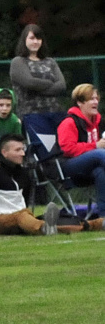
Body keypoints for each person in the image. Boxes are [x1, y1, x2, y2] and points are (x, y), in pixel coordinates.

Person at [0, 134, 88, 236]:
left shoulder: (23, 173)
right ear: (4, 152)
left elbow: (25, 198)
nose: (22, 153)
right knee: (22, 216)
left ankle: (92, 224)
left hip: (22, 217)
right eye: (18, 150)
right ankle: (44, 228)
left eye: (23, 149)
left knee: (59, 216)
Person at [56, 84, 105, 222]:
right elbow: (66, 149)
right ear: (79, 102)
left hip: (91, 167)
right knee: (100, 154)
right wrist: (94, 145)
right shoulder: (69, 122)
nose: (95, 102)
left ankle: (103, 217)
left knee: (101, 171)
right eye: (91, 99)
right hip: (68, 166)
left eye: (96, 98)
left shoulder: (98, 122)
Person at [9, 24, 66, 119]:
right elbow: (29, 83)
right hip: (30, 115)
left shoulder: (50, 62)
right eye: (32, 38)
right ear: (24, 40)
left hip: (55, 114)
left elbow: (61, 85)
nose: (35, 42)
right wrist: (50, 83)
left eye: (38, 39)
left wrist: (36, 90)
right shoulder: (18, 62)